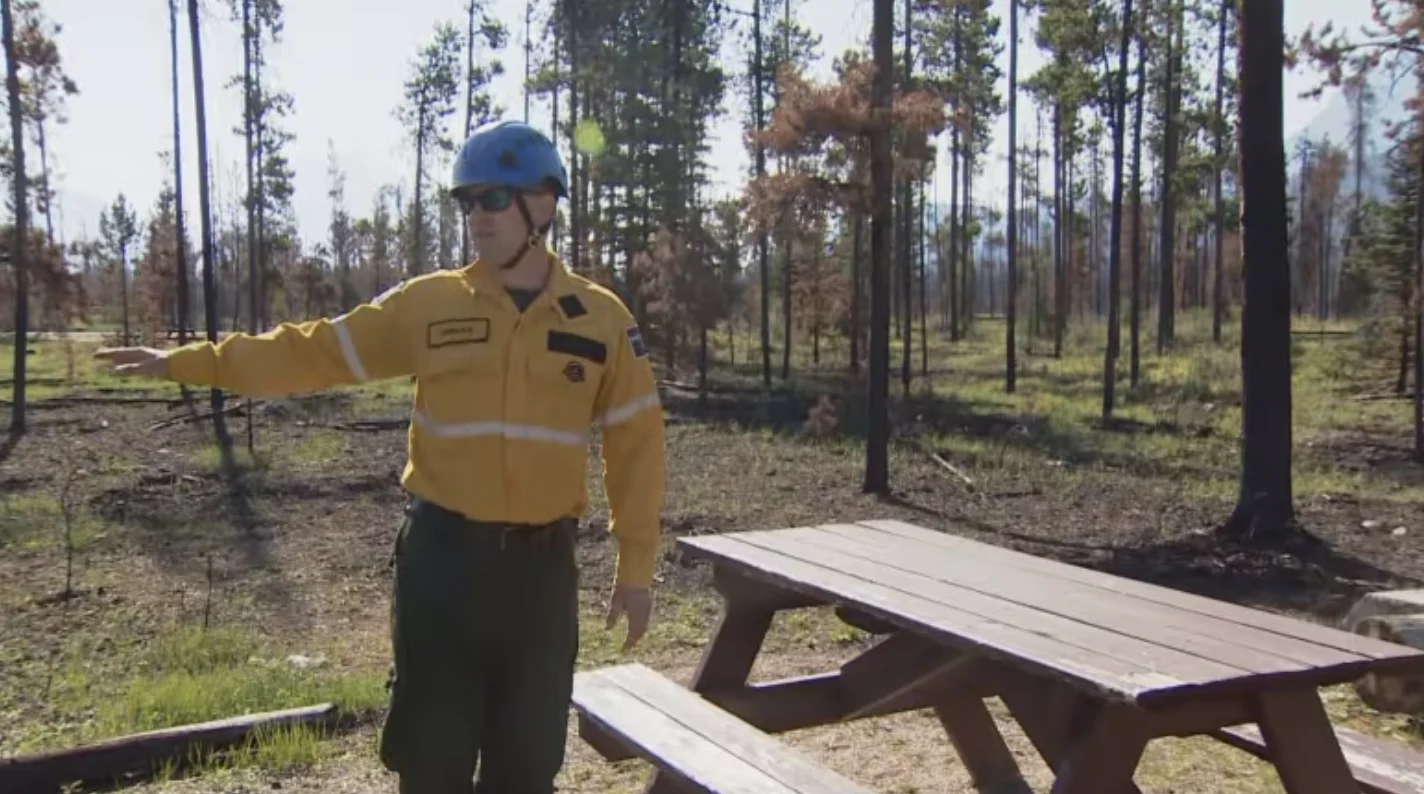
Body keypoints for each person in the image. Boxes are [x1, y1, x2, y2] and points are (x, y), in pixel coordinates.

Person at [94, 120, 666, 794]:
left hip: (542, 581)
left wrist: (636, 568)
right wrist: (189, 362)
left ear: (542, 203)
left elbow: (637, 443)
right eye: (465, 202)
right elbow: (314, 350)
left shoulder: (599, 320)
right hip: (444, 566)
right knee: (430, 761)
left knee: (528, 764)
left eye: (490, 200)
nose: (473, 218)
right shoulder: (430, 304)